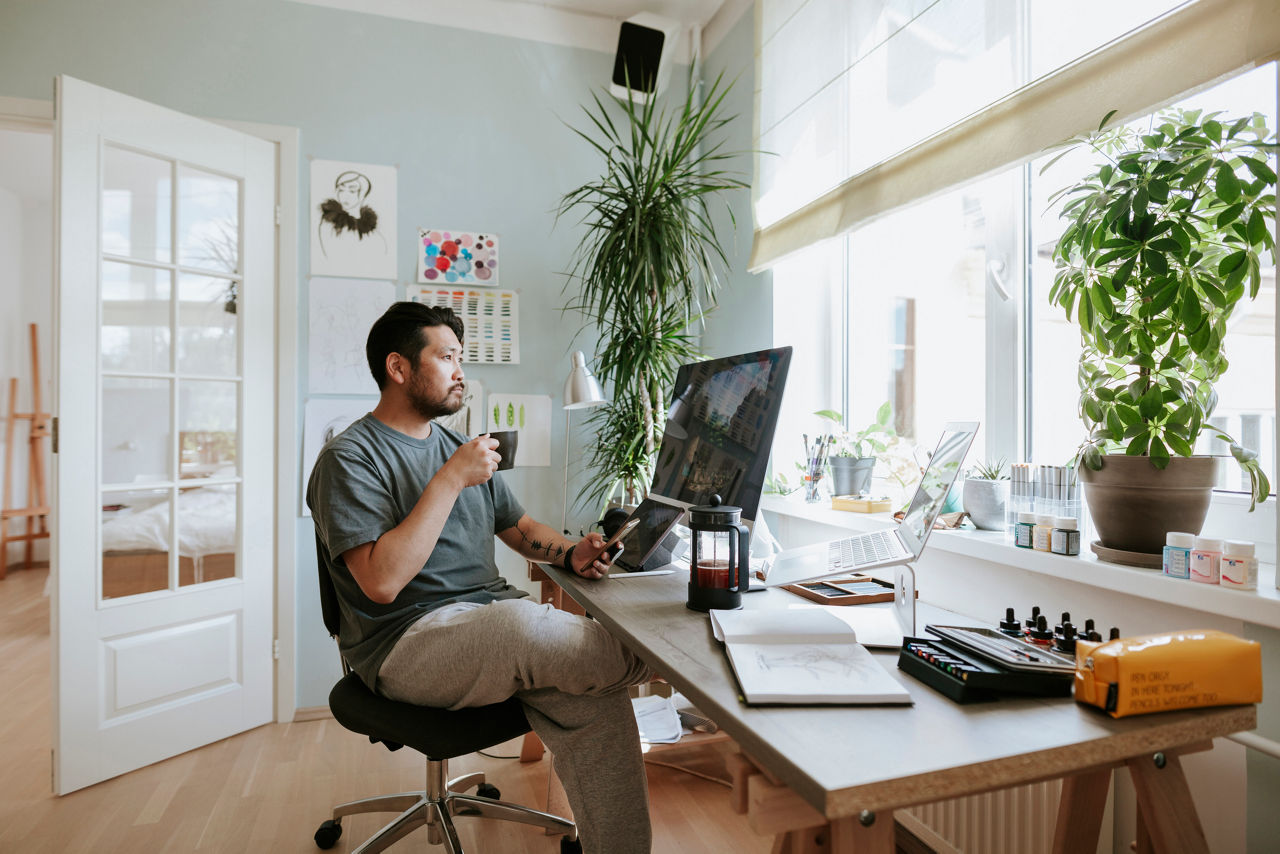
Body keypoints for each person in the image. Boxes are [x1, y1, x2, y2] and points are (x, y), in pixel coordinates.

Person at [307, 301, 653, 854]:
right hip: (405, 642)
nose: (461, 371)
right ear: (398, 368)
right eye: (446, 357)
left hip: (489, 625)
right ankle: (668, 659)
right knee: (526, 626)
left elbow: (519, 528)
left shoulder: (458, 449)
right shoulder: (350, 459)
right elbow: (380, 583)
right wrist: (448, 480)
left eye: (462, 357)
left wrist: (572, 553)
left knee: (597, 700)